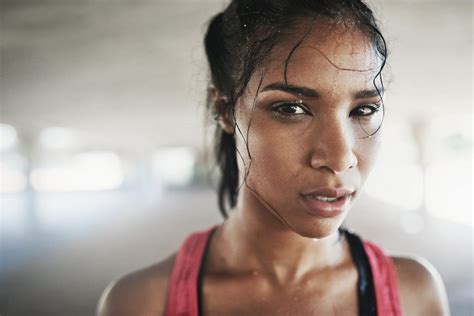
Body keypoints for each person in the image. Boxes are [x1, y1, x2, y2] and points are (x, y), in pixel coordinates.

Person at [97, 0, 450, 315]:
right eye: (291, 108)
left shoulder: (415, 295)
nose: (341, 158)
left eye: (364, 109)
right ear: (224, 109)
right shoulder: (140, 304)